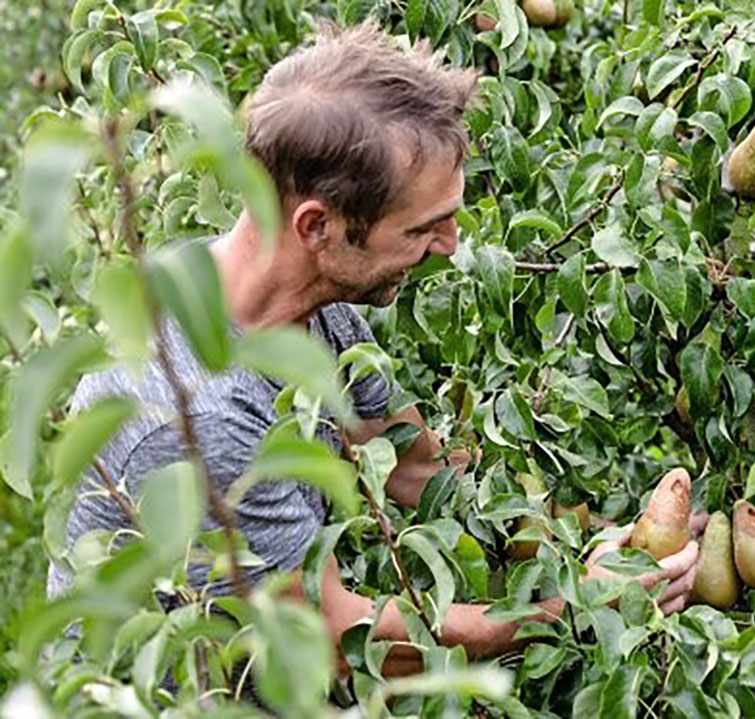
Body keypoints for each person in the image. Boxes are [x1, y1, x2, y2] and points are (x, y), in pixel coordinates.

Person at [48, 21, 700, 677]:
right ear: (317, 226)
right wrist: (569, 609)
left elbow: (423, 469)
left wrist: (606, 547)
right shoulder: (203, 417)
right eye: (423, 226)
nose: (450, 244)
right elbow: (338, 641)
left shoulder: (311, 309)